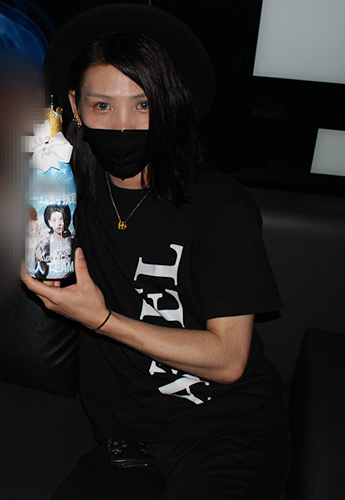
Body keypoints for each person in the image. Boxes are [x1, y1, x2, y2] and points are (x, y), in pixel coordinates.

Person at [21, 7, 289, 500]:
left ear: (169, 105)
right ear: (76, 106)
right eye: (103, 106)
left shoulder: (219, 205)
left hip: (227, 430)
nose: (123, 126)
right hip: (125, 440)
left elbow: (229, 359)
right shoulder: (62, 192)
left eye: (143, 105)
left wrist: (103, 320)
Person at [33, 204, 75, 279]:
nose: (58, 223)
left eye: (61, 219)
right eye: (54, 220)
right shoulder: (43, 245)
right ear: (50, 222)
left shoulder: (71, 242)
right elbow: (39, 271)